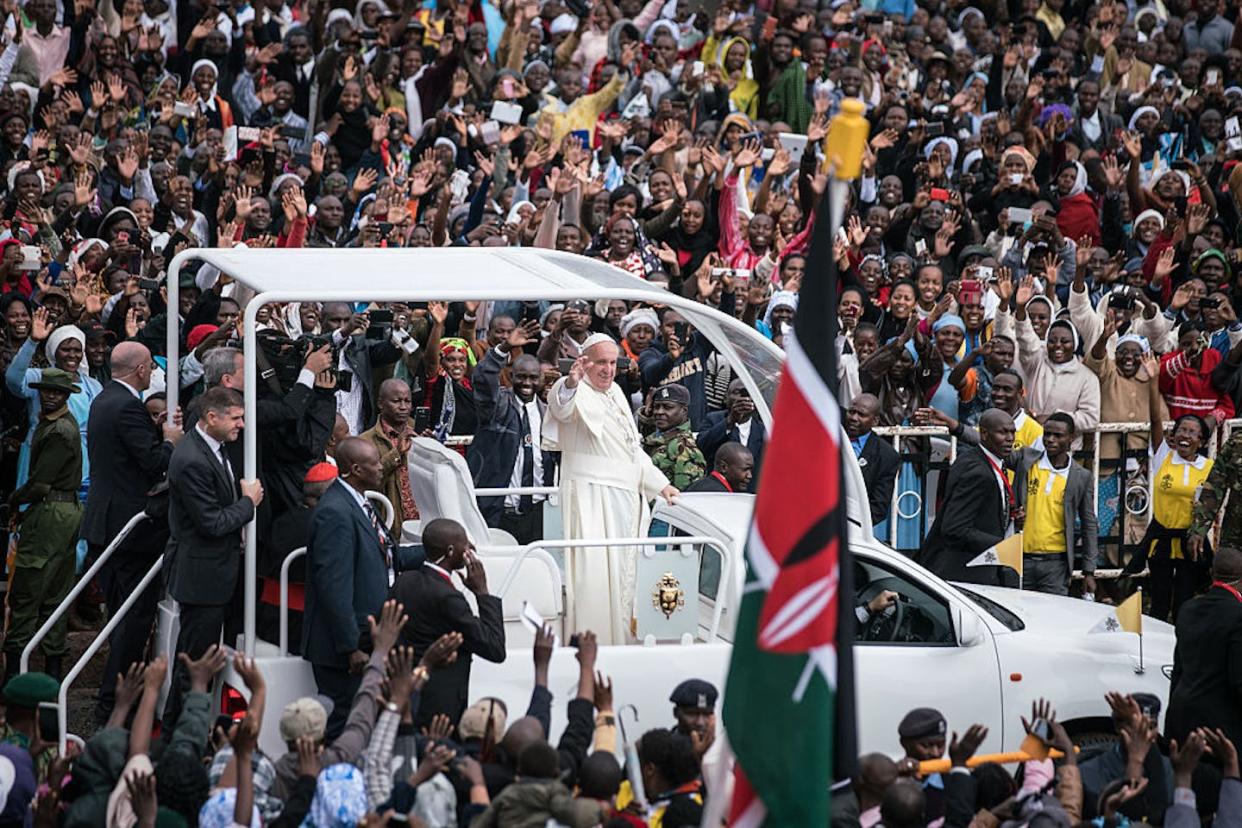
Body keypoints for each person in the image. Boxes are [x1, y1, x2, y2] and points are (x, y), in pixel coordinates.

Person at [543, 334, 677, 645]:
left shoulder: (616, 391)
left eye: (613, 362)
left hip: (625, 499)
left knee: (622, 577)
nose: (608, 369)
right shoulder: (571, 388)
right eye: (600, 362)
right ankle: (594, 643)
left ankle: (621, 642)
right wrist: (572, 382)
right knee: (595, 577)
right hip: (591, 498)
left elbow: (632, 450)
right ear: (584, 362)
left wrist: (662, 485)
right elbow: (561, 408)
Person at [82, 341, 183, 722]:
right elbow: (154, 463)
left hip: (107, 522)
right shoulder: (126, 406)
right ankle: (113, 702)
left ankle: (118, 697)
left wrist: (155, 432)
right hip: (129, 529)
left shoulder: (104, 399)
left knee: (123, 616)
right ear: (141, 370)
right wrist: (171, 442)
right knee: (133, 618)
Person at [303, 437, 423, 740]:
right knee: (343, 724)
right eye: (373, 463)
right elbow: (334, 586)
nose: (380, 467)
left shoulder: (359, 501)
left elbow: (389, 555)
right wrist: (350, 647)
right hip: (345, 649)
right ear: (355, 469)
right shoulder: (335, 512)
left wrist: (434, 550)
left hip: (367, 638)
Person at [162, 386, 263, 730]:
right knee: (194, 664)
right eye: (236, 419)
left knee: (197, 660)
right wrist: (248, 503)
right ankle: (179, 735)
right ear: (211, 418)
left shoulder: (213, 448)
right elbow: (212, 523)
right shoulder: (191, 459)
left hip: (215, 575)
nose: (242, 426)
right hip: (201, 579)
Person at [388, 517, 506, 729]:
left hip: (407, 692)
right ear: (451, 551)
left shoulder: (404, 581)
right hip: (441, 708)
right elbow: (494, 647)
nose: (470, 547)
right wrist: (482, 593)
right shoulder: (448, 598)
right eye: (465, 543)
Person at [4, 369, 83, 682]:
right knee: (53, 594)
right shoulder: (53, 425)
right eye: (45, 391)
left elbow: (39, 485)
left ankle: (14, 676)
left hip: (52, 511)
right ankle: (48, 675)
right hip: (61, 510)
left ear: (65, 396)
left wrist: (13, 500)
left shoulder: (59, 431)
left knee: (28, 589)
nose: (49, 395)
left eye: (56, 392)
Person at [1130, 354, 1214, 623]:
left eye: (1192, 433)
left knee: (1184, 605)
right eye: (1181, 430)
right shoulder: (1164, 456)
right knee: (1158, 603)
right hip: (1162, 541)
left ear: (1201, 441)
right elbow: (1155, 421)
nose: (1185, 436)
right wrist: (1154, 380)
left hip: (1192, 544)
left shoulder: (1209, 467)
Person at [469, 322, 557, 544]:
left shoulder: (550, 414)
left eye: (533, 377)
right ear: (511, 376)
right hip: (499, 512)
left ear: (541, 378)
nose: (527, 383)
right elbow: (482, 380)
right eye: (521, 377)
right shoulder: (498, 406)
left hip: (539, 513)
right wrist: (503, 348)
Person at [920, 409, 1019, 585]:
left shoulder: (982, 460)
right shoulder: (978, 472)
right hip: (965, 571)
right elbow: (954, 528)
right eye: (1003, 432)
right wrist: (1002, 545)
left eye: (1012, 432)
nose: (1010, 438)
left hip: (979, 569)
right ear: (985, 434)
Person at [1166, 545, 1242, 758]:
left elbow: (1178, 671)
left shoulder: (1188, 609)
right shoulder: (1237, 615)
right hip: (1221, 730)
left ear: (1212, 574)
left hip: (1182, 719)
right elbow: (1238, 681)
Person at [359, 378, 418, 534]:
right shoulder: (365, 441)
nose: (403, 407)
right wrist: (396, 454)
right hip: (390, 528)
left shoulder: (418, 433)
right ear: (380, 404)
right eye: (396, 401)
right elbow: (366, 484)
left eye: (407, 401)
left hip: (421, 526)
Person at [695, 378, 766, 493]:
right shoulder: (713, 419)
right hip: (717, 494)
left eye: (748, 393)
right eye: (737, 393)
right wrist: (730, 421)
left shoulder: (764, 430)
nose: (743, 398)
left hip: (750, 498)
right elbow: (701, 447)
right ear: (726, 398)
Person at [845, 393, 900, 527]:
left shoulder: (887, 455)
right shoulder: (830, 438)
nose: (854, 418)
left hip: (854, 527)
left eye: (861, 415)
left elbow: (878, 507)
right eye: (851, 412)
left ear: (875, 421)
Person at [641, 383, 706, 491]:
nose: (659, 412)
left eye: (668, 407)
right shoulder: (658, 437)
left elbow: (684, 497)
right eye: (656, 407)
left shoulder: (684, 448)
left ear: (684, 411)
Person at [685, 442, 753, 493]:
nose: (749, 476)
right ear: (724, 467)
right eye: (745, 469)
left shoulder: (698, 485)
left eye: (750, 470)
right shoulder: (720, 496)